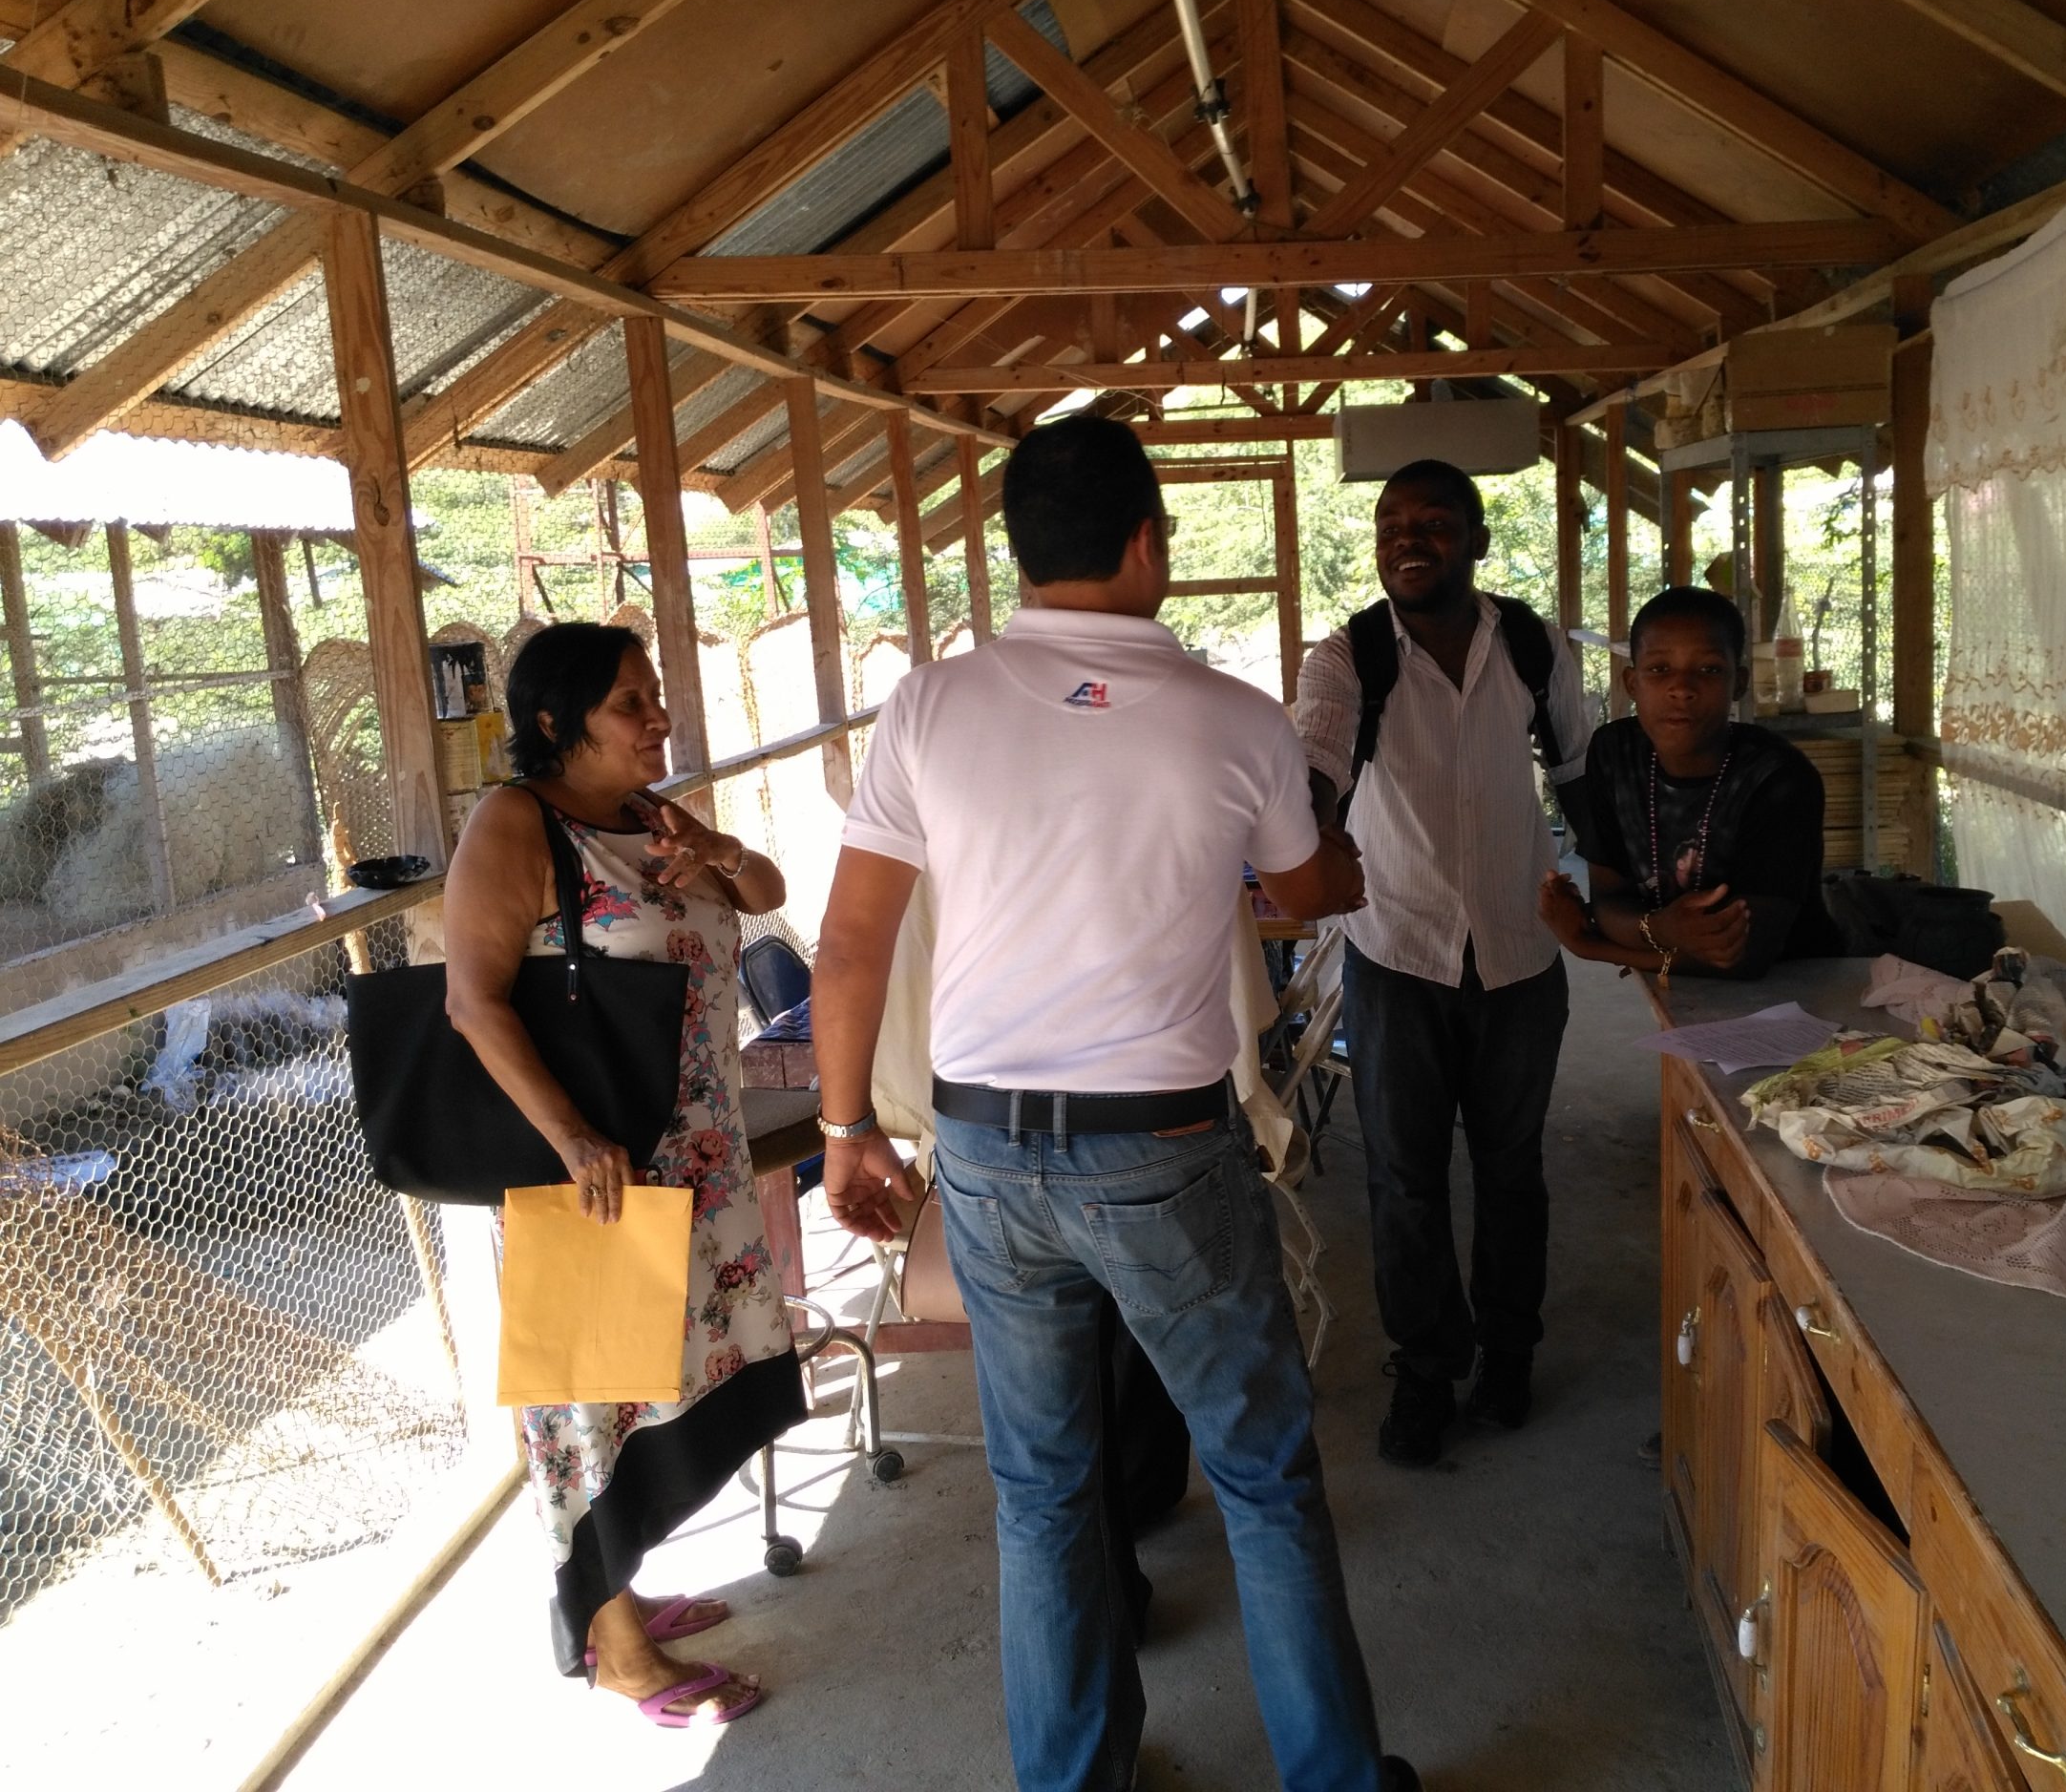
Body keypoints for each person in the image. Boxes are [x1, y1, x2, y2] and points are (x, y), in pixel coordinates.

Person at [813, 414, 1419, 1792]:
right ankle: (1333, 1779)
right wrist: (1317, 873)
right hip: (1160, 1152)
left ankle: (1074, 1780)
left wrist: (849, 1130)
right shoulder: (1232, 719)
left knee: (1040, 1497)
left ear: (1014, 555)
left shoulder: (929, 707)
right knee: (1262, 1479)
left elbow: (849, 948)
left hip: (980, 1152)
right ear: (1149, 543)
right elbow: (1305, 883)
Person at [443, 622, 801, 1728]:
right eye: (632, 705)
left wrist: (717, 857)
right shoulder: (515, 825)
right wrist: (570, 1139)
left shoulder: (650, 817)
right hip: (594, 1171)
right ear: (556, 722)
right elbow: (472, 1001)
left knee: (669, 1372)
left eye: (655, 698)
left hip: (695, 1153)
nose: (660, 719)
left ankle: (623, 1592)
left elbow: (764, 888)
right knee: (589, 1394)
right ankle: (614, 1647)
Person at [1295, 458, 1590, 1469]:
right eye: (1389, 525)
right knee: (1405, 1181)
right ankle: (1425, 1369)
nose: (1406, 540)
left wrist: (1624, 912)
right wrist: (1301, 824)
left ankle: (1508, 1355)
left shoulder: (1535, 647)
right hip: (1398, 954)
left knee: (1513, 1174)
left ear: (1476, 541)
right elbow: (1317, 760)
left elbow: (1582, 771)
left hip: (1518, 952)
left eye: (1431, 522)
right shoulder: (1349, 657)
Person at [1537, 585, 1842, 984]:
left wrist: (1589, 945)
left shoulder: (1778, 778)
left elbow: (1744, 959)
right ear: (1633, 682)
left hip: (1798, 991)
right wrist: (1662, 930)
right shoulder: (1615, 754)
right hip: (1683, 989)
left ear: (1739, 683)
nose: (1681, 688)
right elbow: (1611, 901)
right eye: (1659, 669)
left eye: (1709, 669)